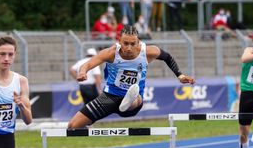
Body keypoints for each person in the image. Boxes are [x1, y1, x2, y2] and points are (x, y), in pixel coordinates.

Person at [67, 26, 195, 128]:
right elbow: (88, 63)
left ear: (138, 42)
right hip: (109, 97)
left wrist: (180, 75)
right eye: (125, 43)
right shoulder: (111, 53)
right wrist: (82, 72)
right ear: (119, 42)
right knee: (72, 126)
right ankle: (88, 124)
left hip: (133, 101)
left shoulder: (148, 51)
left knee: (135, 98)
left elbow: (167, 57)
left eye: (133, 44)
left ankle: (129, 100)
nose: (129, 48)